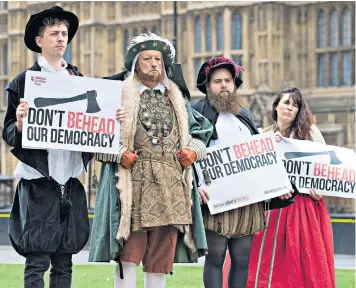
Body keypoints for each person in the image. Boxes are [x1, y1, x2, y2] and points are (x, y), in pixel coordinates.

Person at [2, 6, 124, 288]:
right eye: (54, 33)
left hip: (70, 182)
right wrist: (20, 123)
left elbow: (98, 126)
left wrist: (114, 119)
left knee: (64, 262)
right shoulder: (24, 82)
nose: (61, 38)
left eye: (64, 34)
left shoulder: (80, 81)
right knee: (37, 261)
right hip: (38, 183)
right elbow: (8, 133)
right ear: (39, 40)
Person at [88, 32, 213, 288]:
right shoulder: (117, 95)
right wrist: (118, 154)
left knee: (160, 257)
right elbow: (94, 135)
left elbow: (202, 131)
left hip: (171, 186)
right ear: (136, 63)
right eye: (147, 59)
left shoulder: (177, 98)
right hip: (133, 186)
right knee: (128, 257)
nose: (154, 63)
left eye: (158, 59)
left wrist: (192, 152)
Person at [192, 57, 295, 288]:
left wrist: (278, 183)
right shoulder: (197, 113)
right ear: (207, 86)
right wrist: (194, 185)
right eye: (217, 81)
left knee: (242, 259)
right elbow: (186, 153)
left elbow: (258, 158)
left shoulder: (244, 115)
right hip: (215, 198)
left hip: (247, 201)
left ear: (235, 84)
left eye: (228, 80)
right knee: (215, 258)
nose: (224, 85)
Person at [223, 87, 335, 288]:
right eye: (286, 103)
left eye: (295, 105)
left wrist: (319, 189)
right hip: (269, 207)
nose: (290, 108)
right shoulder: (262, 134)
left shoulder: (309, 133)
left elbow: (324, 168)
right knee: (258, 259)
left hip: (300, 206)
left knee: (297, 260)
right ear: (276, 106)